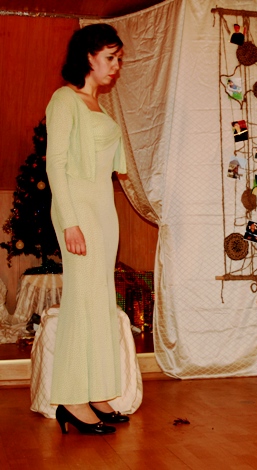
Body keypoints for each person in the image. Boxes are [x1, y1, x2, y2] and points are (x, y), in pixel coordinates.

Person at [46, 24, 130, 435]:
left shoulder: (98, 105)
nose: (116, 66)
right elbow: (55, 165)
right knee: (81, 301)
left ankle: (96, 392)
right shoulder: (64, 100)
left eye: (118, 58)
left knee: (99, 302)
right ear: (88, 57)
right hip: (77, 210)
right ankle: (71, 399)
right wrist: (70, 222)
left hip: (102, 211)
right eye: (110, 57)